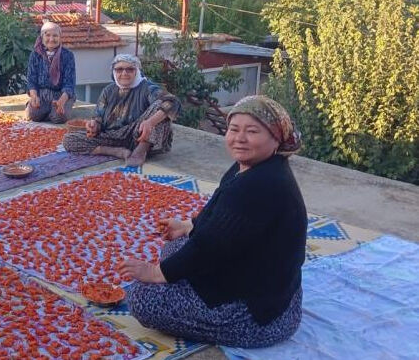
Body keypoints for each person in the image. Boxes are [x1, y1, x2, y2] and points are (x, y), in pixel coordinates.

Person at [117, 96, 307, 348]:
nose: (239, 138)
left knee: (143, 298)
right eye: (234, 129)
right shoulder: (253, 167)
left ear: (276, 138)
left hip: (258, 316)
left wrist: (156, 273)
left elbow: (210, 246)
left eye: (252, 131)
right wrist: (188, 226)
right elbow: (223, 220)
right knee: (175, 248)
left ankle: (227, 323)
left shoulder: (260, 185)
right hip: (274, 289)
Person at [62, 54, 180, 166]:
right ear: (114, 72)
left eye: (130, 69)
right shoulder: (108, 90)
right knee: (69, 140)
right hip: (112, 137)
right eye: (119, 69)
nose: (124, 73)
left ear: (136, 71)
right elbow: (98, 117)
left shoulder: (147, 88)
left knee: (162, 106)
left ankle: (142, 150)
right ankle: (116, 152)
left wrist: (150, 122)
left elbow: (173, 102)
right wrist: (94, 125)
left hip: (137, 135)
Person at [25, 20, 76, 124]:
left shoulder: (68, 55)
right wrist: (34, 96)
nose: (51, 39)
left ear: (60, 37)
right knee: (33, 115)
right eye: (47, 35)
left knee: (58, 118)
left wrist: (62, 101)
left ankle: (55, 110)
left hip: (61, 94)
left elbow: (69, 83)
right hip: (42, 94)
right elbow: (32, 79)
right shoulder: (35, 55)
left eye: (55, 36)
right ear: (42, 37)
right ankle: (44, 109)